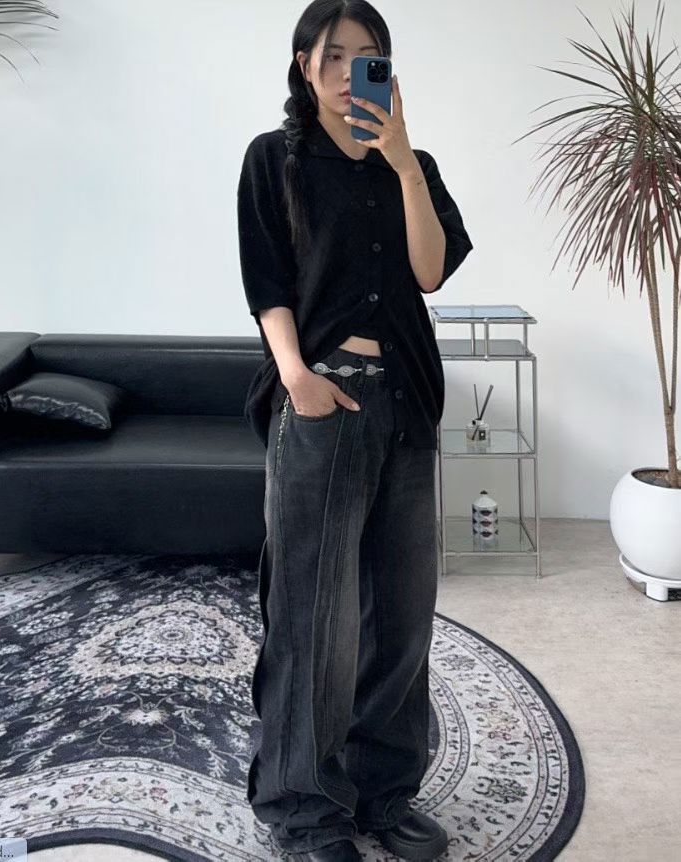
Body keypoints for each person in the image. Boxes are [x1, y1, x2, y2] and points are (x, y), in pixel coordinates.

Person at [237, 3, 473, 860]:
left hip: (405, 404)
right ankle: (304, 806)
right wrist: (297, 378)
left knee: (401, 618)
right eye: (332, 56)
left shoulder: (415, 165)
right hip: (321, 404)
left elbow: (430, 271)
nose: (348, 72)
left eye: (366, 57)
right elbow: (268, 283)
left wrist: (404, 163)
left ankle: (383, 793)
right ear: (304, 65)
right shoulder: (274, 160)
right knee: (315, 619)